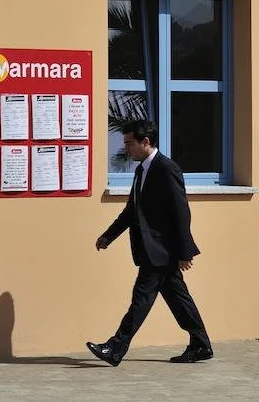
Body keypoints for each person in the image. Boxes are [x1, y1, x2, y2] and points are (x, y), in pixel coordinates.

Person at [86, 119, 213, 366]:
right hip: (151, 249)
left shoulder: (166, 168)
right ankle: (201, 344)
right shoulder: (141, 170)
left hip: (161, 250)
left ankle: (115, 348)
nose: (126, 148)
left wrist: (184, 251)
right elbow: (131, 211)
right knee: (179, 299)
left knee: (141, 299)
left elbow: (181, 212)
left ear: (145, 142)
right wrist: (108, 236)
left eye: (129, 143)